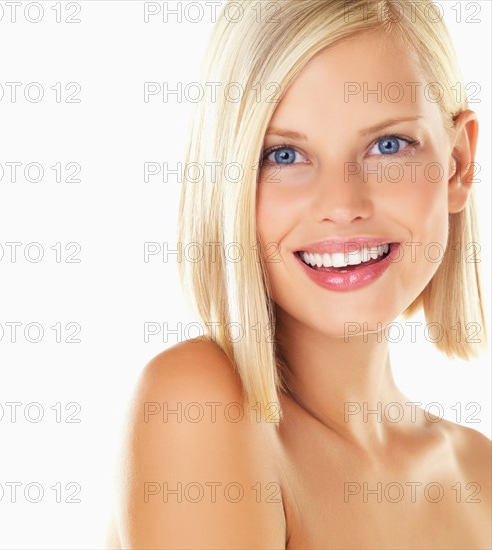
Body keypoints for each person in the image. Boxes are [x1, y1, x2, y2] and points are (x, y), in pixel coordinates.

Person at [108, 1, 490, 547]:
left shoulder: (480, 472)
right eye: (284, 155)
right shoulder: (195, 406)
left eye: (388, 146)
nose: (342, 203)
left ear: (457, 165)